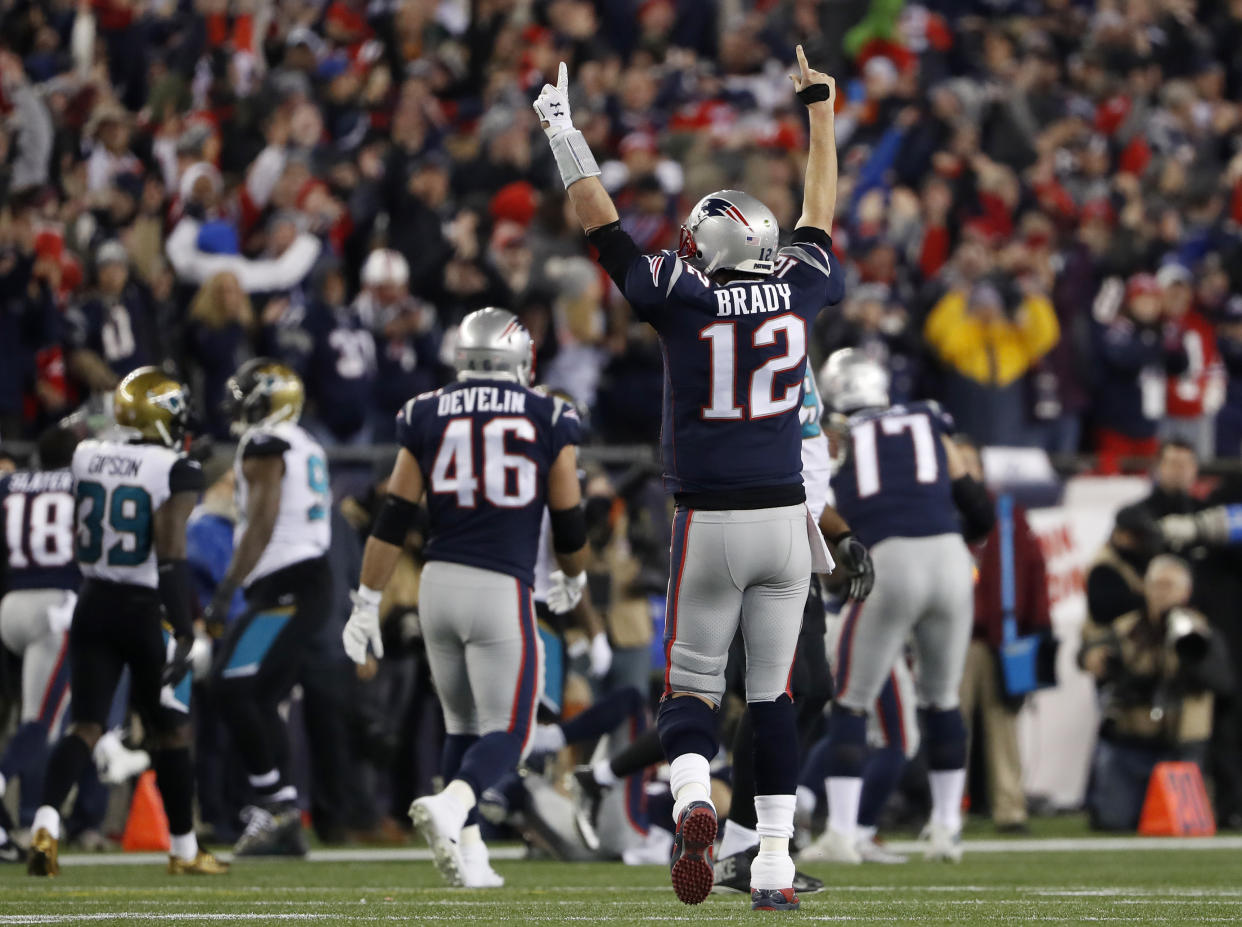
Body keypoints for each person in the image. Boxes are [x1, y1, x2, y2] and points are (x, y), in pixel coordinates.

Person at [533, 46, 845, 911]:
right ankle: (775, 865)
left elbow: (603, 229)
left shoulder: (680, 291)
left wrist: (565, 133)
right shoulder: (802, 284)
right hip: (788, 517)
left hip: (709, 519)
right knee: (774, 693)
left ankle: (692, 796)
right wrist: (819, 109)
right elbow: (820, 208)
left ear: (708, 243)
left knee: (692, 689)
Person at [342, 307, 589, 888]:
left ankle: (471, 853)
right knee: (512, 731)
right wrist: (574, 578)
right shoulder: (547, 413)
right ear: (520, 361)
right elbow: (569, 519)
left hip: (436, 586)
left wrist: (365, 600)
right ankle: (454, 804)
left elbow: (393, 517)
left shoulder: (426, 411)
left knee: (463, 725)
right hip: (500, 586)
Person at [27, 367, 226, 877]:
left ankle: (45, 825)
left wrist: (93, 417)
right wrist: (184, 628)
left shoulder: (86, 453)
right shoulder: (176, 469)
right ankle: (183, 850)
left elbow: (60, 445)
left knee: (86, 725)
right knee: (172, 732)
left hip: (92, 601)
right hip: (143, 609)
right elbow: (171, 556)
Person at [817, 348, 995, 864]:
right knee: (941, 699)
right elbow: (979, 509)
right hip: (949, 558)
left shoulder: (835, 436)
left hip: (888, 560)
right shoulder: (928, 420)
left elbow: (817, 505)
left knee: (851, 699)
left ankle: (843, 833)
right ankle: (947, 828)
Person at [204, 359, 332, 857]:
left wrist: (226, 588)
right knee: (261, 697)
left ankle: (275, 804)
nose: (239, 404)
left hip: (288, 582)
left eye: (248, 395)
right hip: (302, 580)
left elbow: (262, 520)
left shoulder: (265, 443)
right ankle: (283, 812)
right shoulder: (305, 441)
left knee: (231, 683)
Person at [1080, 556, 1231, 831]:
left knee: (1183, 825)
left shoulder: (1201, 630)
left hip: (1181, 746)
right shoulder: (1126, 628)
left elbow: (1223, 683)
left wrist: (1193, 660)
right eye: (1156, 585)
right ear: (1144, 589)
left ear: (1185, 592)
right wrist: (1103, 663)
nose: (1161, 593)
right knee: (1113, 822)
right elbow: (1087, 655)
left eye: (1169, 586)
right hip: (1132, 742)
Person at [955, 438, 1051, 833]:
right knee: (949, 724)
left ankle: (1010, 807)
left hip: (998, 635)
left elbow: (1033, 570)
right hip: (950, 634)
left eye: (968, 462)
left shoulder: (1008, 514)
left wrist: (1038, 628)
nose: (962, 469)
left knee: (1003, 724)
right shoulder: (938, 511)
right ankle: (945, 809)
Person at [0, 426, 80, 863]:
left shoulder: (9, 485)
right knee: (39, 726)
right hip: (55, 610)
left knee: (22, 724)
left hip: (9, 606)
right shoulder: (81, 485)